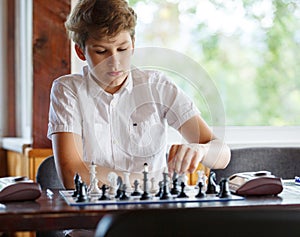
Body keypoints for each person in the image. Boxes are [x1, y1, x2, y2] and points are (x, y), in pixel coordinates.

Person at [47, 0, 231, 191]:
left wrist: (201, 150)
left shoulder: (157, 86)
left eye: (122, 49)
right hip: (94, 216)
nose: (115, 63)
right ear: (81, 51)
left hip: (152, 216)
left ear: (133, 44)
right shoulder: (68, 90)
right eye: (101, 51)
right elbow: (71, 174)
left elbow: (222, 155)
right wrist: (152, 182)